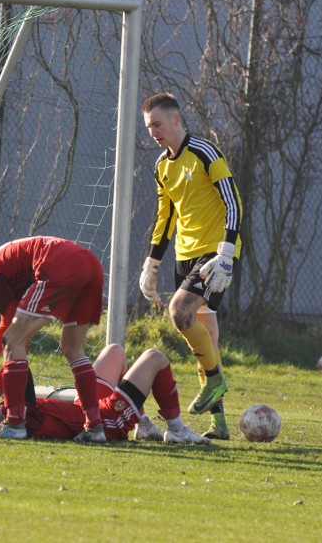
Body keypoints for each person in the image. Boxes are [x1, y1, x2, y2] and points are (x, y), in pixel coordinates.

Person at [138, 92, 243, 440]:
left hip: (215, 252)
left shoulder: (204, 152)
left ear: (176, 120)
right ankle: (220, 423)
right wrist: (152, 262)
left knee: (180, 312)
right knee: (207, 336)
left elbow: (233, 201)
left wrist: (227, 251)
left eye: (157, 124)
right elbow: (165, 216)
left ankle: (214, 380)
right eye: (149, 126)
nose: (153, 131)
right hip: (185, 255)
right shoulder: (161, 166)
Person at [0, 236, 106, 442]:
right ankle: (94, 427)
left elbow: (14, 336)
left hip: (60, 265)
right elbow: (9, 326)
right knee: (72, 349)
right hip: (90, 264)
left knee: (13, 341)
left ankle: (14, 424)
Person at [0, 343, 210, 444]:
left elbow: (3, 380)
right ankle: (176, 429)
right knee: (155, 358)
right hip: (105, 420)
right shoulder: (19, 420)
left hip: (85, 407)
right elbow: (20, 370)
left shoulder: (9, 412)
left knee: (115, 351)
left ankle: (142, 424)